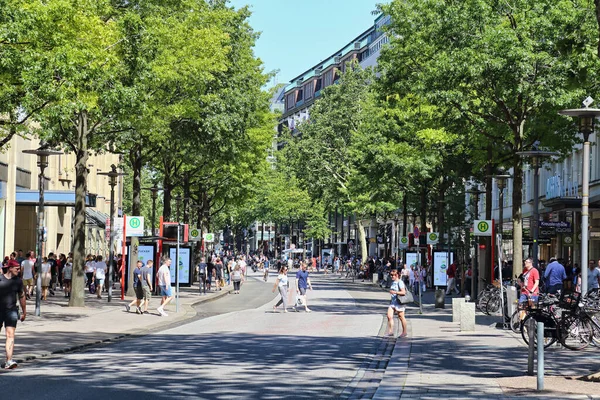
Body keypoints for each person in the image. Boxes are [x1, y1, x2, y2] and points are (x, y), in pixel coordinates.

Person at [0, 259, 26, 369]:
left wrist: (24, 311)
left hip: (11, 311)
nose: (19, 270)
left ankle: (9, 360)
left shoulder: (18, 281)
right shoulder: (0, 279)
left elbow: (22, 296)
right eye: (17, 269)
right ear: (10, 268)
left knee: (10, 335)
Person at [386, 269, 407, 338]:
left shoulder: (400, 282)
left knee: (401, 317)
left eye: (393, 275)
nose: (391, 276)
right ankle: (390, 331)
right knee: (389, 316)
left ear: (397, 275)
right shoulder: (393, 282)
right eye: (391, 275)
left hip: (399, 302)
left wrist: (395, 292)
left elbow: (403, 292)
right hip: (393, 302)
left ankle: (404, 332)